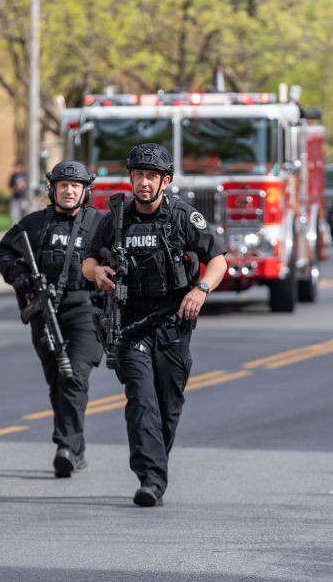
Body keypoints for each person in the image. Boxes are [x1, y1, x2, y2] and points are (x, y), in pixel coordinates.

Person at [82, 143, 227, 507]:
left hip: (173, 324)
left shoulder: (182, 216)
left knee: (167, 405)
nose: (144, 183)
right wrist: (96, 272)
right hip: (131, 324)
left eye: (151, 176)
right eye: (138, 175)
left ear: (165, 181)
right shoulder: (115, 219)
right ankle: (150, 479)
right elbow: (87, 260)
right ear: (130, 178)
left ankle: (155, 468)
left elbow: (218, 260)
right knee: (141, 401)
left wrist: (200, 290)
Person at [0, 161, 105, 478]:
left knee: (74, 375)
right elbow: (3, 251)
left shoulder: (101, 224)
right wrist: (21, 278)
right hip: (45, 312)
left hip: (86, 310)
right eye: (63, 185)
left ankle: (65, 447)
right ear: (52, 189)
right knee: (57, 380)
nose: (69, 191)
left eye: (75, 186)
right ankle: (76, 446)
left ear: (85, 191)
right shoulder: (35, 223)